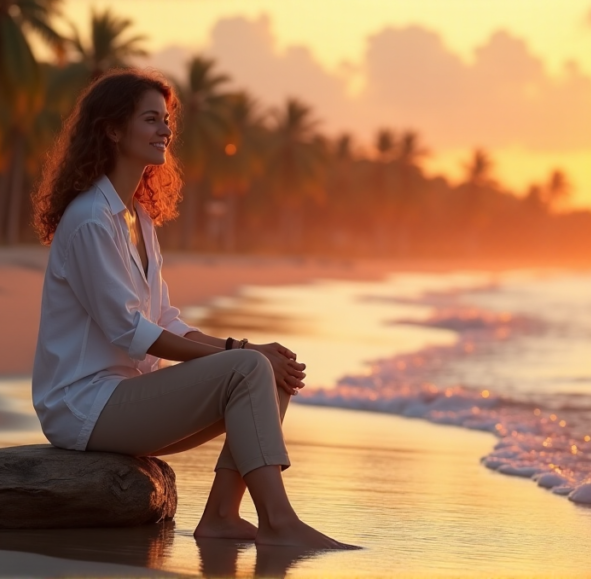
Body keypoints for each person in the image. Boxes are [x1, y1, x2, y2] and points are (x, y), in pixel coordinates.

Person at [30, 69, 353, 549]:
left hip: (126, 397)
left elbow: (166, 320)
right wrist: (237, 357)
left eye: (166, 120)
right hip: (84, 406)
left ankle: (222, 515)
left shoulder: (136, 218)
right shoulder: (90, 220)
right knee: (249, 369)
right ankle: (280, 521)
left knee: (273, 369)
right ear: (113, 129)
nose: (166, 130)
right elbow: (130, 333)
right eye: (150, 119)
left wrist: (245, 349)